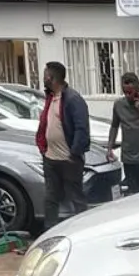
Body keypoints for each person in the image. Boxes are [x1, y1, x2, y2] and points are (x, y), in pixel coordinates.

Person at [35, 61, 90, 222]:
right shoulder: (50, 97)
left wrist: (74, 153)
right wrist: (43, 149)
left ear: (51, 78)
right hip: (51, 158)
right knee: (51, 198)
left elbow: (82, 129)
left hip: (68, 159)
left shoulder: (73, 99)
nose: (43, 78)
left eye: (45, 75)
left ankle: (83, 229)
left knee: (76, 198)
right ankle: (50, 230)